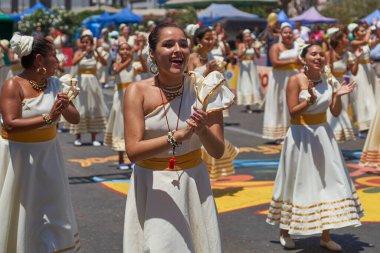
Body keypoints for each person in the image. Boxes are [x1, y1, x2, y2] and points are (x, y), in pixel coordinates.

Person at [123, 22, 234, 252]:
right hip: (152, 186)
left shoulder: (205, 89)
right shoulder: (137, 91)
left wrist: (202, 130)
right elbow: (133, 151)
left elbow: (217, 151)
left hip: (194, 183)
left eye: (183, 44)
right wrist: (177, 136)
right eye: (168, 44)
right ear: (152, 54)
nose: (178, 50)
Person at [266, 44, 363, 251]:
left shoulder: (328, 79)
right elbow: (293, 112)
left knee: (327, 181)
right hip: (300, 136)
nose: (318, 57)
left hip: (323, 135)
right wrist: (308, 99)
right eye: (313, 54)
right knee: (295, 181)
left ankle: (325, 236)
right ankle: (285, 231)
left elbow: (335, 113)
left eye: (321, 54)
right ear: (304, 59)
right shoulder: (295, 80)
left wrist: (338, 95)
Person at [0, 33, 80, 252]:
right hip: (19, 158)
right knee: (23, 210)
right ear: (39, 60)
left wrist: (65, 105)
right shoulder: (12, 85)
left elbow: (75, 118)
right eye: (53, 55)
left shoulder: (55, 83)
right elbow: (10, 123)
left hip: (48, 156)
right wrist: (49, 117)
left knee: (51, 209)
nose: (58, 59)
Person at [188, 25, 237, 180]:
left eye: (213, 38)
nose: (211, 41)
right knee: (200, 135)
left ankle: (208, 171)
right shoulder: (192, 57)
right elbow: (188, 78)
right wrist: (206, 69)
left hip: (211, 101)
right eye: (207, 38)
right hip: (197, 99)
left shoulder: (212, 56)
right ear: (198, 40)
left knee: (214, 135)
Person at [104, 42, 146, 170]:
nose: (125, 51)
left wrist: (140, 57)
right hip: (120, 98)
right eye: (122, 49)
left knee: (134, 126)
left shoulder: (134, 65)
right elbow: (117, 70)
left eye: (128, 49)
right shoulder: (116, 63)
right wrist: (129, 59)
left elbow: (145, 69)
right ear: (118, 52)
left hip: (133, 99)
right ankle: (121, 159)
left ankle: (134, 157)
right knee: (120, 126)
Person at [70, 30, 108, 146]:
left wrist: (95, 50)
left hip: (93, 82)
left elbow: (105, 63)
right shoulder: (78, 52)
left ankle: (94, 137)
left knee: (93, 108)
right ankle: (78, 137)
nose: (86, 44)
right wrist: (83, 53)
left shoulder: (95, 53)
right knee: (81, 108)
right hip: (82, 83)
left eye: (88, 42)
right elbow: (73, 62)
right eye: (84, 42)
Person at [262, 22, 300, 142]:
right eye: (285, 32)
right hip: (279, 78)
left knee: (293, 103)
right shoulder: (275, 47)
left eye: (290, 32)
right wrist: (292, 61)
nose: (288, 35)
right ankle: (279, 133)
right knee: (280, 103)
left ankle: (292, 131)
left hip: (294, 76)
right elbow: (275, 62)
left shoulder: (297, 46)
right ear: (281, 34)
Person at [326, 30, 362, 141]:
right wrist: (336, 87)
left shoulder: (347, 54)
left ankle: (338, 138)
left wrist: (357, 58)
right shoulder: (329, 54)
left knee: (342, 111)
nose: (348, 39)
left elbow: (354, 71)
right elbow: (327, 73)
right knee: (331, 113)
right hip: (330, 85)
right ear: (339, 41)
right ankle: (330, 137)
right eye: (346, 37)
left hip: (342, 86)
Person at [349, 23, 378, 138]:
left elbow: (375, 41)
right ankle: (363, 126)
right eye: (361, 31)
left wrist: (377, 28)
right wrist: (370, 30)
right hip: (360, 71)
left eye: (364, 30)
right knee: (362, 97)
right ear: (355, 33)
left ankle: (373, 122)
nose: (364, 32)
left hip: (369, 70)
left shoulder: (367, 42)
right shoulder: (354, 43)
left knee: (372, 95)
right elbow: (366, 41)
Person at [236, 29, 263, 112]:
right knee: (246, 84)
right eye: (246, 36)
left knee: (254, 83)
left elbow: (258, 56)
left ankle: (257, 100)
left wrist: (254, 49)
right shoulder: (241, 45)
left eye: (249, 36)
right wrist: (245, 50)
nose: (248, 38)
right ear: (243, 38)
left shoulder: (255, 44)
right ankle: (247, 105)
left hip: (252, 65)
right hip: (244, 66)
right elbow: (239, 56)